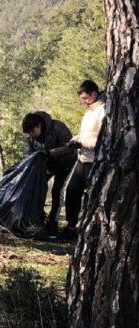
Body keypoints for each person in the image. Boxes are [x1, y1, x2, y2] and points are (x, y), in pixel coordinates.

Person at [62, 80, 106, 239]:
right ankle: (71, 226)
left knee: (93, 197)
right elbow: (86, 133)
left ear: (94, 94)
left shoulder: (103, 110)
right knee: (72, 192)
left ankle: (90, 230)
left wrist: (83, 143)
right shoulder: (89, 110)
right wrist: (76, 139)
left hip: (94, 161)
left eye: (86, 98)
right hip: (82, 160)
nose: (84, 102)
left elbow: (103, 140)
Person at [21, 111, 76, 236]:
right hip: (46, 164)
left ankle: (53, 222)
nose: (31, 135)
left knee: (57, 190)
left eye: (33, 132)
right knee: (36, 187)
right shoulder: (30, 135)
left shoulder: (58, 127)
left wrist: (50, 153)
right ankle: (36, 218)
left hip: (65, 163)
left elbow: (70, 147)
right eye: (28, 133)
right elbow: (28, 153)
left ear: (39, 126)